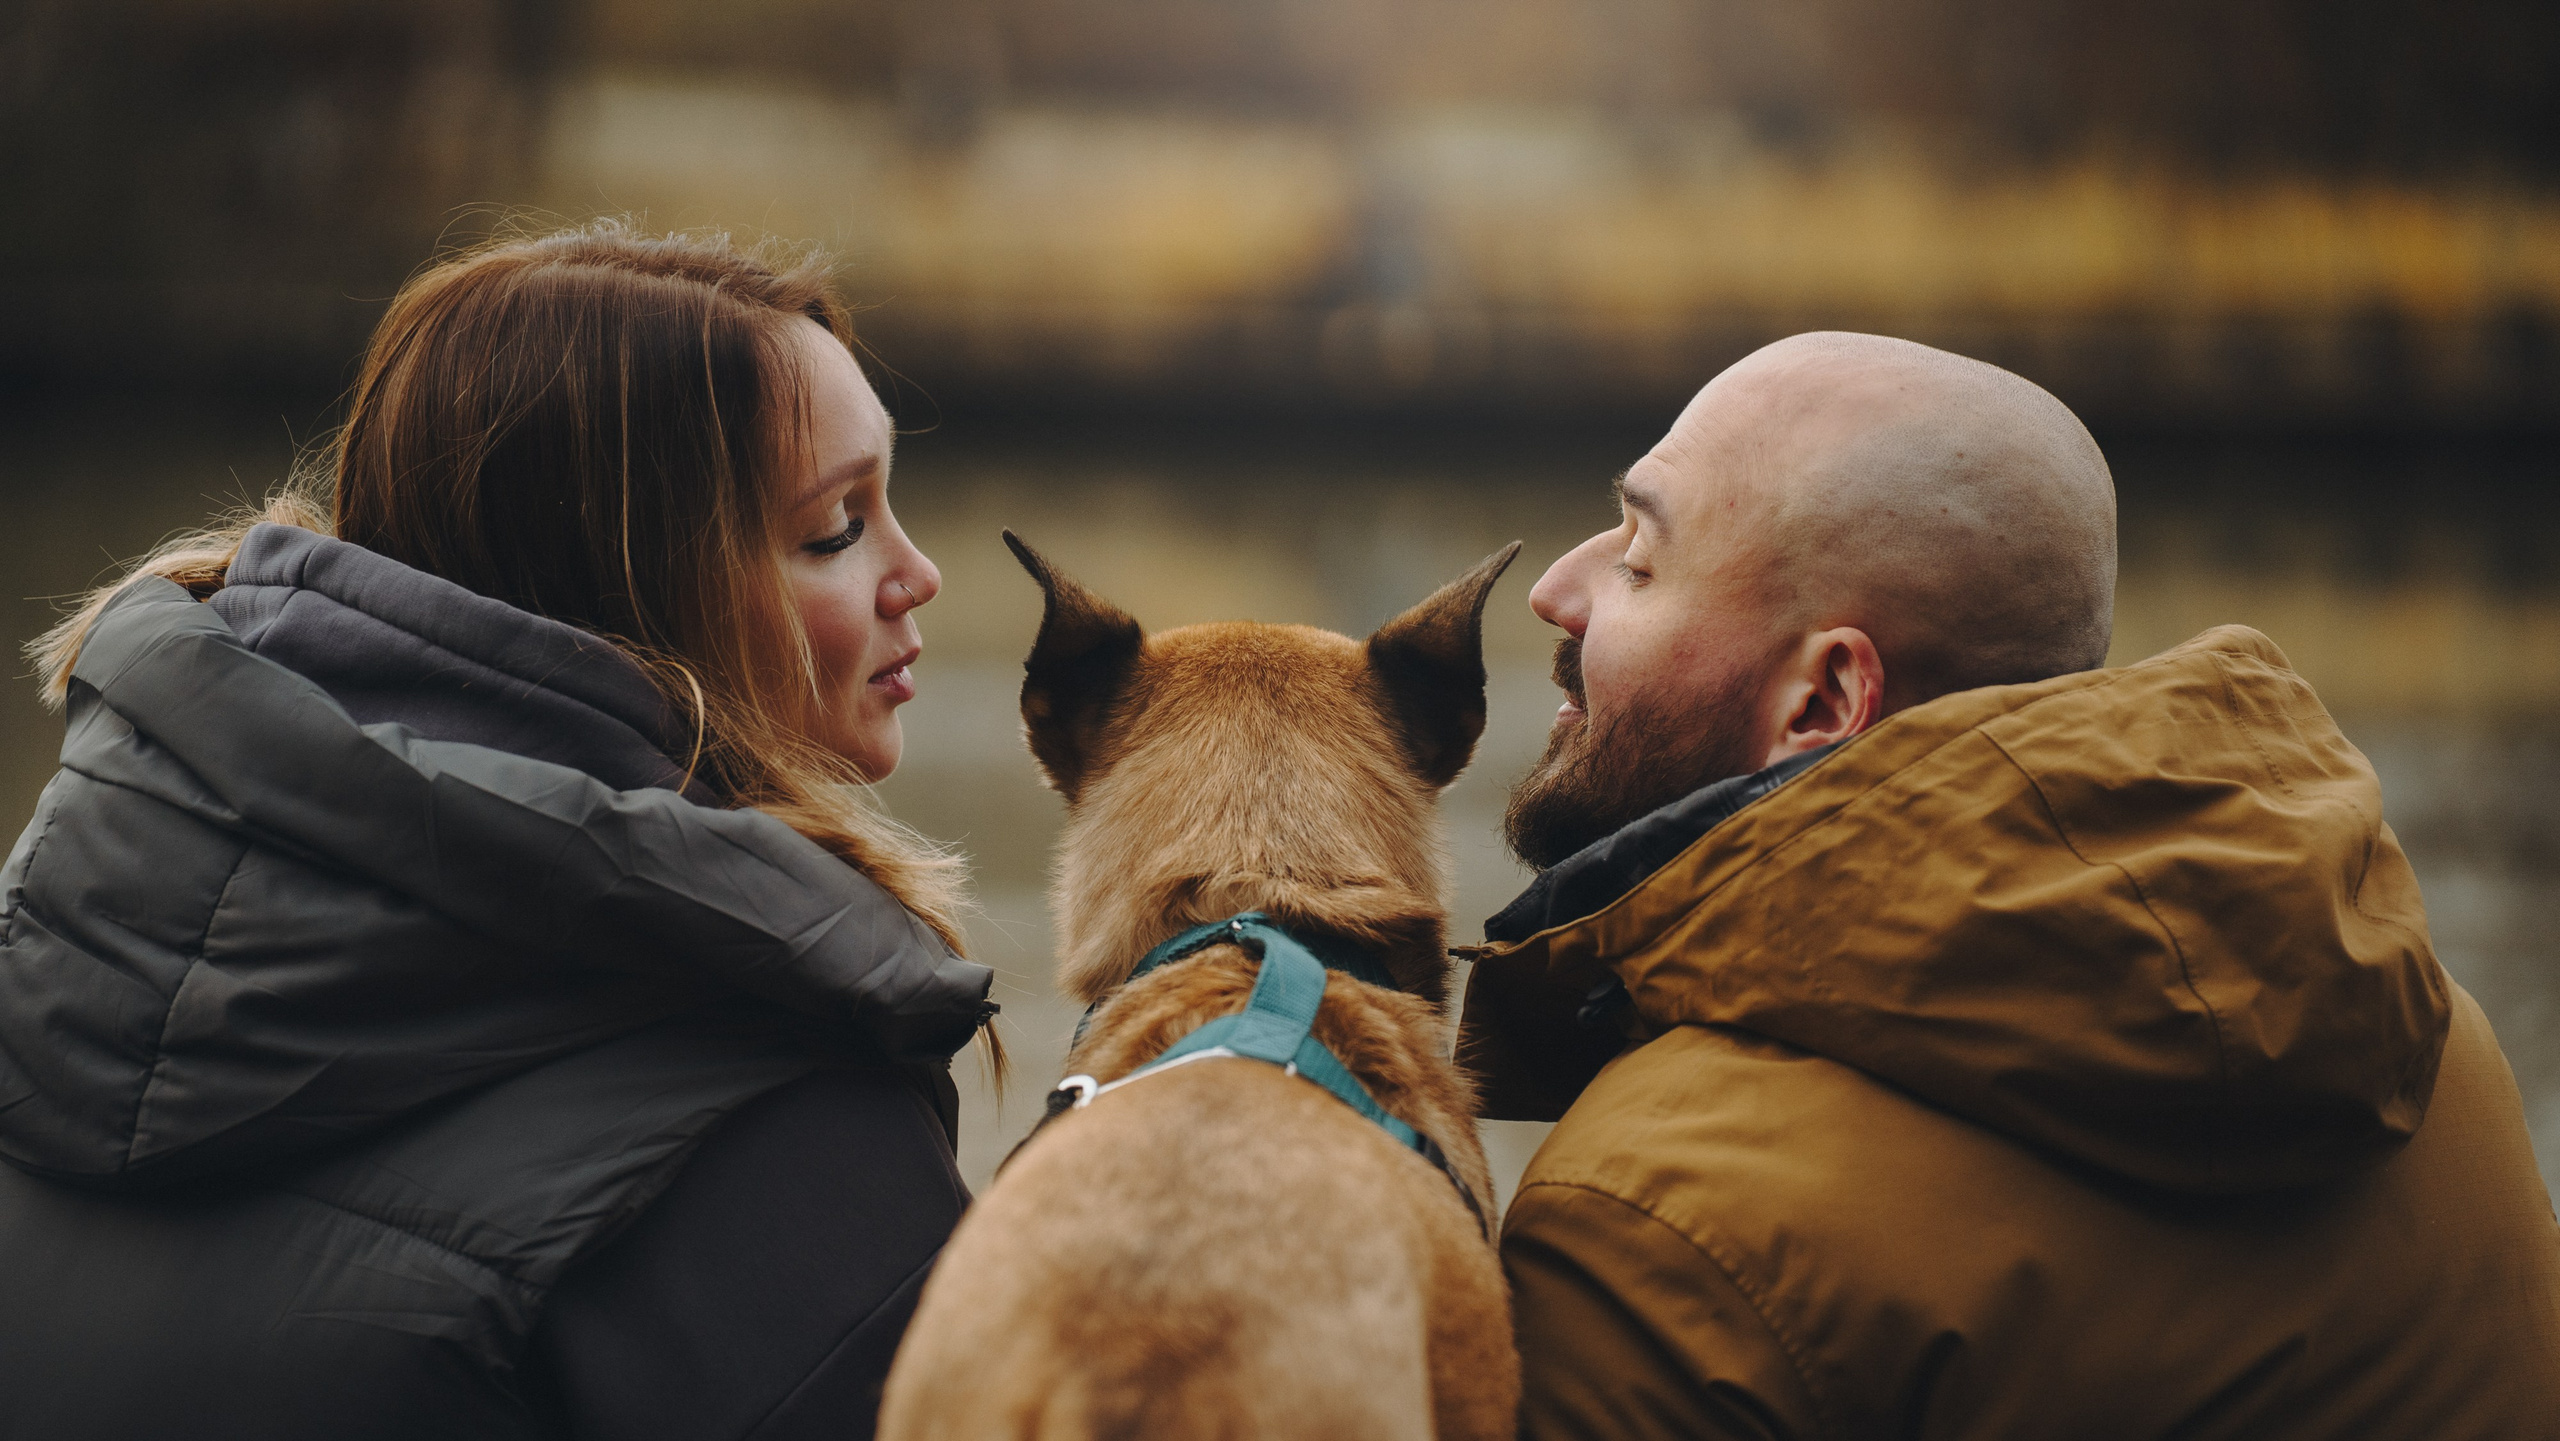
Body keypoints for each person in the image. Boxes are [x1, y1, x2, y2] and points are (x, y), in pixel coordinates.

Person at [0, 223, 1000, 1440]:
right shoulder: (784, 1126)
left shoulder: (59, 972)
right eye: (836, 527)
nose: (920, 572)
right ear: (636, 592)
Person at [1461, 332, 2560, 1439]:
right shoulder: (2422, 1045)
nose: (1556, 590)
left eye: (1640, 563)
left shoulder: (1651, 1222)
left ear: (1826, 699)